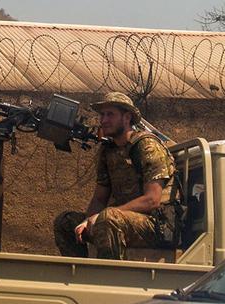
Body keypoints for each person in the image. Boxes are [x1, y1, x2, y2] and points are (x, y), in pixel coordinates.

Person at [53, 92, 177, 260]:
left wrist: (103, 216)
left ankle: (108, 279)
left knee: (108, 218)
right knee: (66, 222)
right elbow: (99, 198)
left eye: (110, 114)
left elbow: (152, 200)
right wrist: (87, 221)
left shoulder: (146, 146)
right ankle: (80, 275)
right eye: (102, 115)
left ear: (127, 117)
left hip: (158, 226)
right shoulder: (108, 151)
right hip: (120, 220)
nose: (103, 120)